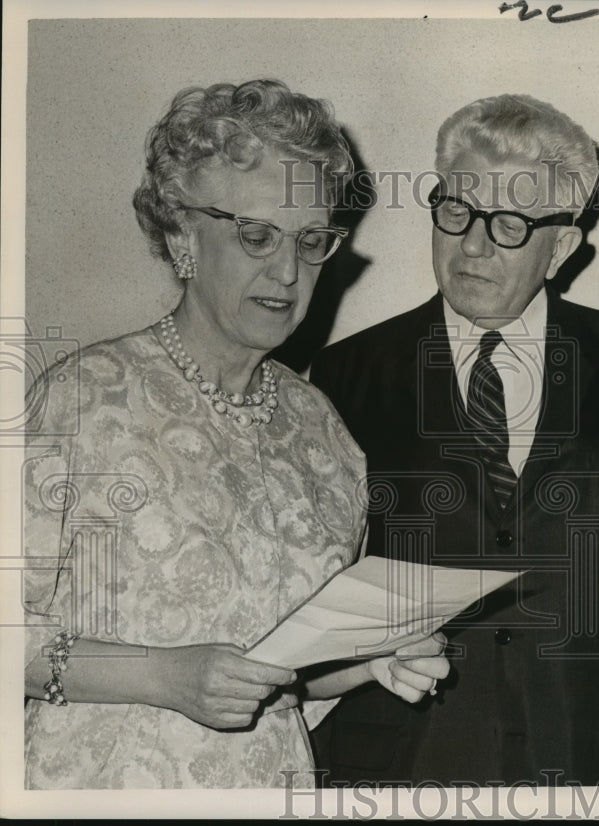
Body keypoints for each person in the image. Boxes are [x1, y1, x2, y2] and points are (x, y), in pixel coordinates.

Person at [22, 79, 448, 789]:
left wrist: (369, 662)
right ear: (182, 233)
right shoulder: (83, 397)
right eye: (256, 235)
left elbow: (284, 681)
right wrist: (161, 674)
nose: (288, 271)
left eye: (312, 241)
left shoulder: (324, 433)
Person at [308, 93, 599, 785]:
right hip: (404, 764)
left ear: (563, 246)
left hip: (593, 766)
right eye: (456, 211)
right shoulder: (346, 374)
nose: (474, 245)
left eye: (510, 223)